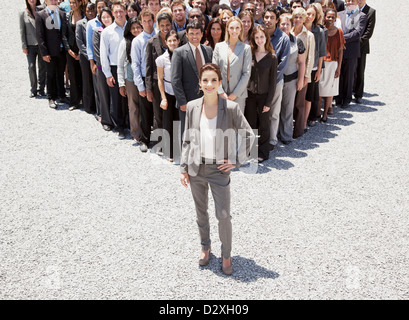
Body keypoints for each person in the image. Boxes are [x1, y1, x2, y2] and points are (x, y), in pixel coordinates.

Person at [180, 63, 255, 276]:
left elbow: (249, 134)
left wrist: (237, 159)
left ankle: (226, 254)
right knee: (200, 213)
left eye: (214, 80)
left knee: (223, 215)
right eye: (205, 80)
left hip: (219, 170)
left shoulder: (230, 108)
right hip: (196, 168)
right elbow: (187, 138)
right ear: (200, 84)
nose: (209, 84)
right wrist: (183, 167)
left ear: (219, 83)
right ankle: (205, 247)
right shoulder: (193, 106)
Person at [171, 20, 213, 142]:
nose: (194, 36)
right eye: (191, 34)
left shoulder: (208, 50)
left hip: (206, 98)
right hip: (187, 100)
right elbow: (175, 79)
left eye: (197, 33)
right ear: (187, 35)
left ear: (202, 34)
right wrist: (182, 101)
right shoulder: (179, 52)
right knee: (187, 130)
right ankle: (188, 157)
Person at [245, 24, 277, 162]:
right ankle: (251, 150)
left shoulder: (272, 57)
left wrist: (269, 102)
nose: (259, 40)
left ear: (266, 38)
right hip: (251, 96)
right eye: (257, 37)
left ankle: (263, 152)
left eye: (262, 37)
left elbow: (273, 82)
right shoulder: (250, 54)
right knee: (250, 123)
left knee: (264, 125)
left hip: (264, 96)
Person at [262, 6, 290, 150]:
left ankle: (272, 140)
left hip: (275, 82)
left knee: (273, 111)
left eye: (272, 17)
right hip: (259, 81)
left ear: (277, 20)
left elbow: (282, 64)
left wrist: (271, 81)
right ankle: (260, 139)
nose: (268, 20)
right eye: (266, 17)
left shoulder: (283, 38)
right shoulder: (259, 34)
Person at [100, 1, 129, 139]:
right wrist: (107, 74)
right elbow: (103, 54)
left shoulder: (131, 27)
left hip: (129, 66)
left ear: (125, 12)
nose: (119, 14)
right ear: (113, 13)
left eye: (121, 11)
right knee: (116, 98)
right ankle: (120, 126)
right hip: (114, 67)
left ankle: (129, 123)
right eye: (116, 12)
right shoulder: (107, 32)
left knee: (130, 97)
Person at [212, 16, 252, 113]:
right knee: (221, 124)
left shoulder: (246, 48)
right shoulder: (219, 46)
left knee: (236, 124)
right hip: (221, 93)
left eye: (237, 28)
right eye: (232, 28)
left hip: (238, 95)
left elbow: (246, 73)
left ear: (241, 29)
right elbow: (214, 71)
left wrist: (235, 94)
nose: (234, 30)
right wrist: (221, 92)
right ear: (227, 29)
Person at [35, 0, 69, 109]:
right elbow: (40, 36)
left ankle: (62, 95)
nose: (54, 1)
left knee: (60, 73)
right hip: (49, 52)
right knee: (50, 74)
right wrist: (44, 53)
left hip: (62, 50)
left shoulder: (62, 13)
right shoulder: (40, 15)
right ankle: (51, 97)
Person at [131, 8, 157, 152]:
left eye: (150, 20)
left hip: (157, 77)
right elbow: (135, 64)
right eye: (144, 21)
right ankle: (145, 139)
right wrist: (140, 86)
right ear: (140, 22)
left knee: (158, 111)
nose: (147, 23)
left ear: (153, 21)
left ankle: (161, 139)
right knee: (145, 111)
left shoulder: (159, 35)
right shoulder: (137, 41)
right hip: (143, 77)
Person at [278, 13, 306, 144]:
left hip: (291, 79)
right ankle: (275, 136)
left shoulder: (297, 41)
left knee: (288, 109)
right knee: (275, 109)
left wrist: (301, 79)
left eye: (287, 24)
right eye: (282, 24)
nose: (285, 26)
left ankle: (286, 136)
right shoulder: (274, 40)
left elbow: (301, 62)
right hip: (277, 80)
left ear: (291, 25)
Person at [145, 12, 173, 138]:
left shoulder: (175, 39)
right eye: (162, 25)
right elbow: (149, 66)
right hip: (158, 83)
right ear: (158, 25)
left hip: (172, 83)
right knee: (158, 113)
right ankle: (159, 142)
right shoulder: (151, 42)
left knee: (171, 113)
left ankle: (171, 140)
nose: (165, 28)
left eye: (167, 24)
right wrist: (149, 89)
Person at [336, 0, 366, 108]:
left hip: (351, 50)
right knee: (338, 75)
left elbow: (357, 33)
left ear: (357, 2)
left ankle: (347, 99)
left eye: (352, 0)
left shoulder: (360, 16)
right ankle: (338, 98)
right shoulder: (339, 15)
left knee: (349, 76)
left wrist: (341, 39)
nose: (349, 2)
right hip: (338, 50)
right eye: (347, 0)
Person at [156, 30, 181, 161]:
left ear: (178, 41)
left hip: (179, 93)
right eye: (169, 41)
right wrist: (163, 98)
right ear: (166, 42)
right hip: (168, 92)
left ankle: (178, 149)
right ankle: (169, 150)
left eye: (174, 40)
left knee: (179, 121)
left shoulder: (182, 56)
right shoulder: (161, 59)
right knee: (168, 122)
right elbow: (160, 79)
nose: (172, 43)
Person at [118, 17, 143, 142]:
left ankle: (145, 130)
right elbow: (120, 63)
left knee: (145, 105)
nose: (136, 30)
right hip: (131, 78)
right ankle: (135, 132)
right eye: (133, 28)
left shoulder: (145, 39)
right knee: (133, 106)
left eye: (138, 27)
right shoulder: (125, 42)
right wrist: (121, 83)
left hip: (143, 76)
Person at [291, 7, 315, 138]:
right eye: (296, 17)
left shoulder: (309, 35)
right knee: (289, 103)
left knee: (300, 103)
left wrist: (306, 76)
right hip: (289, 72)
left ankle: (298, 130)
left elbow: (310, 57)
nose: (298, 20)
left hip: (302, 73)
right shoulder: (289, 32)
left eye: (300, 17)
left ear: (304, 19)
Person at [318, 8, 344, 122]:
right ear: (324, 17)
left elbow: (340, 50)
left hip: (332, 63)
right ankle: (317, 112)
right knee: (319, 89)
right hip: (321, 62)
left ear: (335, 18)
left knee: (329, 91)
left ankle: (325, 114)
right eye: (328, 16)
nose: (330, 19)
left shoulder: (339, 32)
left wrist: (339, 67)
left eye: (333, 17)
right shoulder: (320, 30)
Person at [303, 4, 326, 128]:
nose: (310, 17)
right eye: (308, 14)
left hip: (313, 68)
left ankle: (308, 119)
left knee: (310, 95)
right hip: (300, 67)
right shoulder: (298, 27)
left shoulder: (319, 31)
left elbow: (322, 53)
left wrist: (319, 71)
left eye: (313, 14)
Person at [93, 7, 114, 131]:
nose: (106, 19)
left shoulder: (116, 30)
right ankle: (106, 120)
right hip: (102, 67)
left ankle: (117, 119)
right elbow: (97, 51)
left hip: (115, 67)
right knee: (104, 94)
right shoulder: (97, 31)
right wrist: (106, 67)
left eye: (108, 16)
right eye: (103, 17)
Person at [86, 0, 107, 121]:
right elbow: (89, 45)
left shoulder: (109, 20)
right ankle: (100, 113)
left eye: (103, 6)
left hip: (108, 62)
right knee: (99, 89)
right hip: (97, 61)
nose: (101, 8)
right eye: (99, 7)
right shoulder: (91, 23)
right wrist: (92, 62)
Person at [20, 0, 46, 98]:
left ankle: (42, 88)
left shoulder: (41, 11)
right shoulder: (23, 13)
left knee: (42, 67)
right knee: (31, 66)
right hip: (30, 45)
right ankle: (33, 89)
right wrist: (24, 46)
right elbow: (21, 30)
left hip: (41, 44)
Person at [62, 0, 84, 111]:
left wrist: (81, 52)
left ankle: (85, 99)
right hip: (71, 50)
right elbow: (64, 35)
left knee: (83, 75)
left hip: (82, 50)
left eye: (74, 2)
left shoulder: (84, 15)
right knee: (73, 76)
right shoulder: (67, 16)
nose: (72, 4)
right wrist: (69, 50)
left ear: (80, 3)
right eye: (71, 2)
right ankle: (74, 101)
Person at [75, 1, 96, 115]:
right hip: (84, 57)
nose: (90, 12)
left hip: (96, 57)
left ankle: (96, 104)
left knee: (95, 81)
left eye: (92, 10)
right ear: (85, 11)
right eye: (88, 10)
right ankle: (88, 106)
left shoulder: (97, 23)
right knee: (87, 81)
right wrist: (89, 56)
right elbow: (79, 41)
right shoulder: (80, 23)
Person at [354, 0, 376, 104]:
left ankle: (358, 94)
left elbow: (368, 32)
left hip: (361, 46)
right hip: (350, 45)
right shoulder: (353, 10)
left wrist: (357, 43)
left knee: (360, 70)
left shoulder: (371, 11)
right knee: (350, 70)